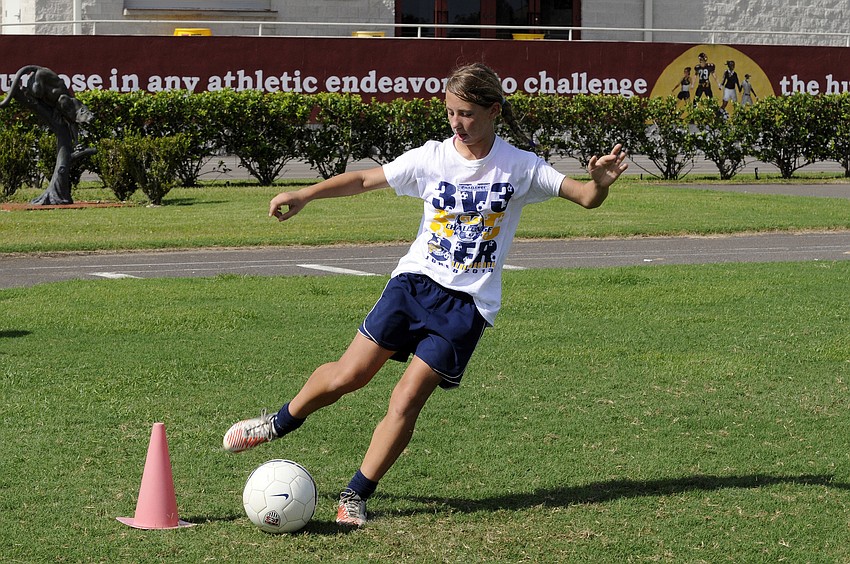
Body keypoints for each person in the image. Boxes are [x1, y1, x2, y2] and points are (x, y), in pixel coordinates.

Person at [222, 62, 628, 527]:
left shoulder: (520, 165)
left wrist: (599, 182)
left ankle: (354, 495)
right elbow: (364, 180)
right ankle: (277, 422)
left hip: (467, 306)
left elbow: (584, 197)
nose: (457, 123)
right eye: (451, 112)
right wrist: (308, 193)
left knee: (407, 397)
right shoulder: (432, 157)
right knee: (349, 376)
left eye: (468, 114)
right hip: (414, 286)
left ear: (494, 111)